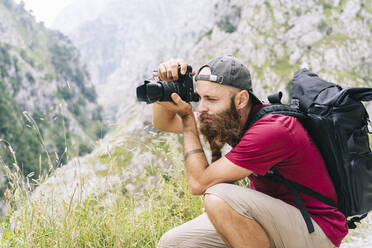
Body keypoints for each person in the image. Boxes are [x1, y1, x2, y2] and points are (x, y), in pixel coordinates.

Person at [152, 55, 348, 248]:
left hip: (317, 231)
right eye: (199, 98)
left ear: (241, 100)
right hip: (274, 221)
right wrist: (163, 90)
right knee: (174, 243)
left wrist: (187, 119)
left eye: (211, 99)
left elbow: (198, 183)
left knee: (218, 196)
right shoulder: (228, 118)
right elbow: (164, 123)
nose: (202, 108)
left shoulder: (272, 130)